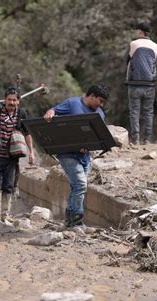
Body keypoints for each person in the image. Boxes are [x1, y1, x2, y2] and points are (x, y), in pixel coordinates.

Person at [44, 84, 109, 228]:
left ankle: (70, 222)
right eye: (100, 100)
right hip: (67, 153)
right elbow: (53, 110)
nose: (101, 104)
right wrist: (50, 113)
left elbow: (98, 134)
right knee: (80, 184)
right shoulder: (72, 103)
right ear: (91, 96)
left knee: (77, 187)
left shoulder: (99, 113)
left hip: (85, 156)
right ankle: (76, 223)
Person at [0, 86, 35, 221]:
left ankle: (5, 214)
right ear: (5, 100)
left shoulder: (21, 114)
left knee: (9, 186)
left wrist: (31, 152)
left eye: (14, 100)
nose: (11, 102)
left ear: (18, 101)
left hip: (11, 157)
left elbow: (27, 134)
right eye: (9, 100)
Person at [125, 21, 157, 145]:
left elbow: (128, 60)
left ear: (140, 32)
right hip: (150, 84)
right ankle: (147, 139)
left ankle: (135, 139)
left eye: (136, 30)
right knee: (148, 112)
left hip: (135, 83)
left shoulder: (134, 44)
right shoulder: (155, 46)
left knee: (134, 111)